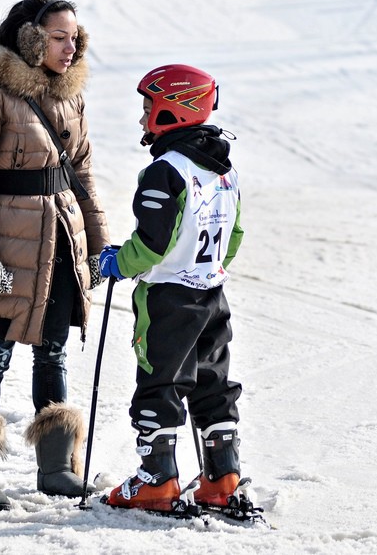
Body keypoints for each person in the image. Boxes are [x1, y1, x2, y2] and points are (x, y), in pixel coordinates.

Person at [0, 0, 110, 511]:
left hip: (62, 240)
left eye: (75, 37)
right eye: (59, 37)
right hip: (8, 242)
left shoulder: (71, 96)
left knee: (54, 351)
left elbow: (81, 174)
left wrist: (99, 247)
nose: (71, 46)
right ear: (31, 39)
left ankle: (58, 470)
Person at [98, 64, 246, 513]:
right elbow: (234, 236)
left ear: (174, 112)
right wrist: (206, 268)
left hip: (168, 299)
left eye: (149, 109)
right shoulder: (223, 168)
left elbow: (152, 244)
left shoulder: (167, 170)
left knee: (159, 383)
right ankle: (222, 479)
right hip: (211, 296)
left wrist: (118, 263)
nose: (143, 120)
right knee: (211, 383)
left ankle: (157, 480)